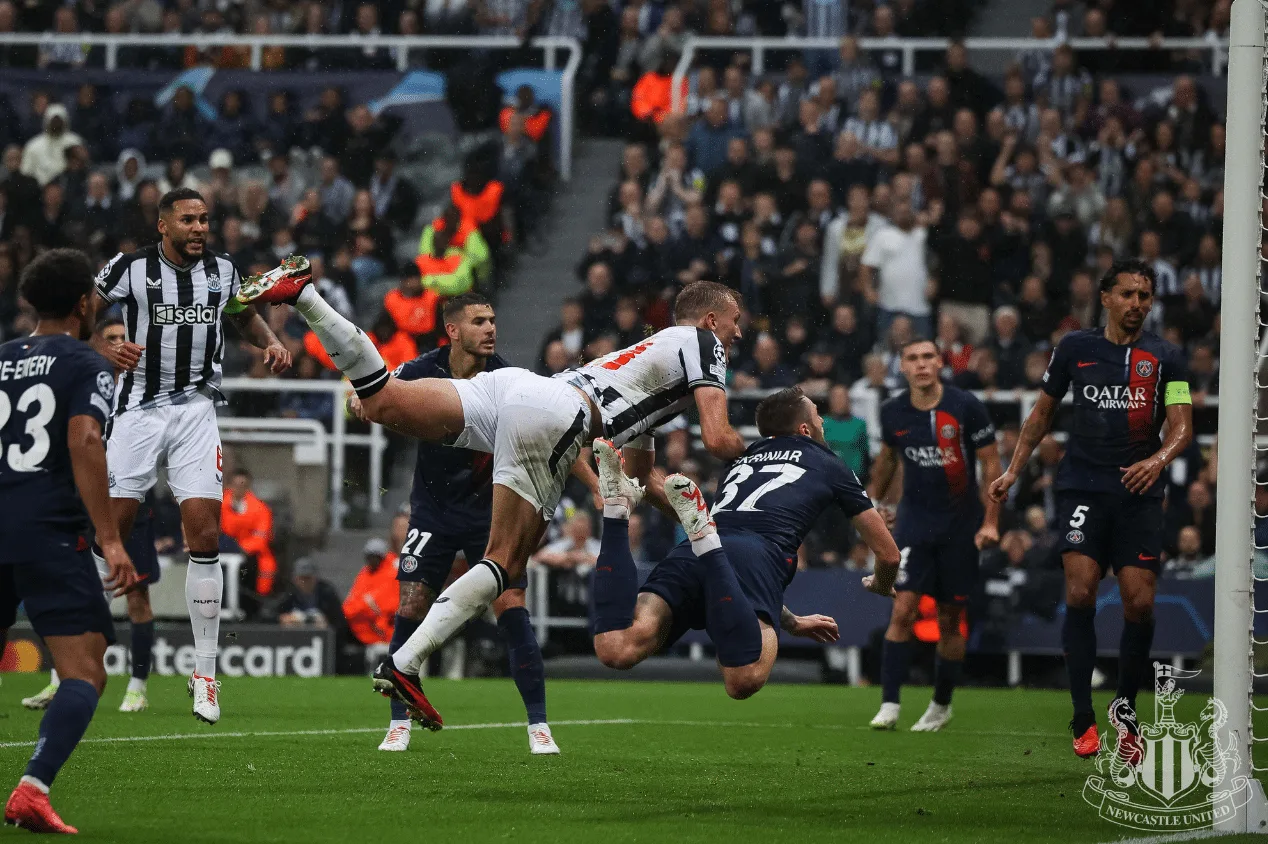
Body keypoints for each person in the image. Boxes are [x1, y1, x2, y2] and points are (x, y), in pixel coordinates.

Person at [238, 270, 748, 727]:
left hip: (513, 389)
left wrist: (693, 517)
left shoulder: (657, 358)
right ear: (709, 319)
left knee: (382, 399)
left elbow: (638, 476)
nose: (739, 333)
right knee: (503, 563)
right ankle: (405, 663)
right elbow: (721, 439)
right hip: (556, 414)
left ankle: (304, 296)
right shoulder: (705, 344)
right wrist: (781, 451)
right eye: (734, 321)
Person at [92, 188, 294, 724]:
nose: (199, 227)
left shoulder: (224, 271)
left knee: (204, 535)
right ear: (163, 226)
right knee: (113, 530)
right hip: (136, 409)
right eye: (188, 220)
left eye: (204, 218)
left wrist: (268, 341)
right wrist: (105, 348)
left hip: (197, 412)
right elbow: (82, 308)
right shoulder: (130, 269)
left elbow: (241, 316)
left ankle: (205, 673)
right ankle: (76, 650)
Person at [989, 259, 1193, 762]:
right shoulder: (1075, 349)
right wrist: (1014, 470)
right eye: (1127, 294)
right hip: (1082, 486)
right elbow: (1042, 413)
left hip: (1139, 492)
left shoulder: (1166, 357)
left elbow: (1183, 426)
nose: (1136, 304)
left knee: (1139, 604)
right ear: (1105, 298)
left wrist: (1158, 458)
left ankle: (1125, 709)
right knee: (1079, 590)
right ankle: (1082, 713)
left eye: (1144, 296)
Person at [589, 387, 901, 698]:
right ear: (805, 429)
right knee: (743, 679)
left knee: (617, 648)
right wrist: (881, 584)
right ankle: (703, 540)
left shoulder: (742, 460)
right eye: (819, 417)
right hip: (753, 556)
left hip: (695, 550)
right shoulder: (829, 462)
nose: (823, 423)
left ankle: (617, 510)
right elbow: (888, 556)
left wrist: (789, 620)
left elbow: (736, 557)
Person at [360, 293, 558, 755]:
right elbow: (377, 397)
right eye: (479, 321)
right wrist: (360, 402)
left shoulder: (510, 379)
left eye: (493, 320)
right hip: (432, 509)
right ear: (452, 330)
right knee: (410, 604)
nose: (491, 328)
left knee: (511, 608)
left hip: (492, 512)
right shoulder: (419, 371)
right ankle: (398, 724)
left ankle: (539, 727)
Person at [0, 248, 139, 833]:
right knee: (84, 670)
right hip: (48, 529)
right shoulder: (88, 363)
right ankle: (33, 789)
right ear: (86, 303)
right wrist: (110, 538)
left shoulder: (1, 359)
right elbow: (85, 438)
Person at [21, 318, 163, 714]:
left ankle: (137, 686)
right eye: (111, 339)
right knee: (64, 591)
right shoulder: (85, 382)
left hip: (129, 503)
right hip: (81, 504)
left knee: (136, 597)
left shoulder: (147, 392)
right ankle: (57, 680)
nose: (119, 345)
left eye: (124, 338)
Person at [866, 338, 1002, 732]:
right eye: (913, 358)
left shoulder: (966, 406)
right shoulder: (893, 412)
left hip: (962, 525)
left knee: (949, 618)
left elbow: (992, 465)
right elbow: (888, 460)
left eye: (928, 357)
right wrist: (876, 505)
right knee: (903, 609)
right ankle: (889, 704)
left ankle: (941, 704)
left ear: (940, 364)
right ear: (902, 367)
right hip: (914, 523)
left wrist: (991, 521)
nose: (922, 364)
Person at [342, 538, 400, 646]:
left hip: (386, 631)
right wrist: (364, 604)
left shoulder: (392, 573)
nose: (371, 561)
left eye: (374, 557)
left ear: (382, 557)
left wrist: (364, 604)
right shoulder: (364, 573)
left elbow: (382, 606)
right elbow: (348, 607)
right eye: (369, 557)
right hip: (363, 629)